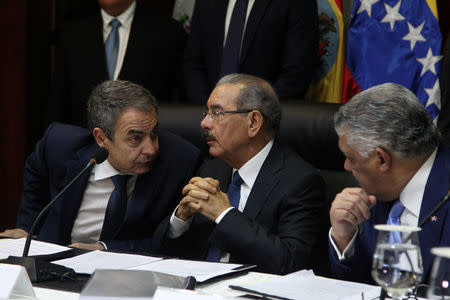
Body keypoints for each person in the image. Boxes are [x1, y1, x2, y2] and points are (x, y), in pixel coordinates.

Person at [153, 74, 327, 275]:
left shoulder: (300, 181)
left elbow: (290, 263)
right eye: (207, 112)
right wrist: (181, 218)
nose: (204, 123)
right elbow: (160, 251)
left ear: (253, 122)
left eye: (217, 113)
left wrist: (224, 214)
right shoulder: (213, 167)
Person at [0, 80, 201, 252]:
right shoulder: (57, 145)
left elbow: (172, 243)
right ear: (101, 138)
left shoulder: (179, 160)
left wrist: (104, 249)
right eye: (135, 138)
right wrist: (28, 230)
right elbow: (36, 179)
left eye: (154, 133)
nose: (151, 148)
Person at [328, 83, 450, 285]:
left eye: (351, 157)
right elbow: (357, 289)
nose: (346, 166)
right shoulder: (379, 193)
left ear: (381, 159)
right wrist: (344, 237)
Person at [46, 0, 186, 127]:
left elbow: (180, 103)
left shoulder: (167, 33)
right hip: (84, 148)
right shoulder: (72, 34)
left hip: (144, 147)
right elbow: (58, 103)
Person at [183, 0, 319, 104]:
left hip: (264, 122)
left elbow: (297, 72)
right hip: (207, 122)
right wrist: (211, 111)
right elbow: (194, 63)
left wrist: (253, 113)